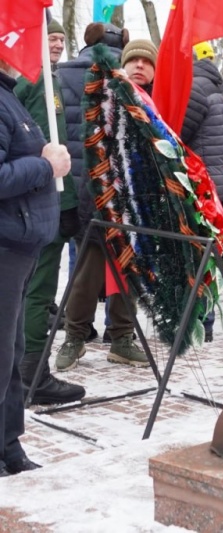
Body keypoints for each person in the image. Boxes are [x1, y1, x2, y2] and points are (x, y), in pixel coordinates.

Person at [55, 23, 150, 371]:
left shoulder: (152, 101)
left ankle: (122, 337)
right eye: (134, 60)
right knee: (88, 274)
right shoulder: (109, 92)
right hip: (99, 197)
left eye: (146, 62)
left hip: (138, 205)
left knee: (130, 274)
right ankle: (75, 337)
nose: (140, 67)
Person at [0, 56, 72, 475]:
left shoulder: (9, 95)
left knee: (11, 351)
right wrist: (45, 166)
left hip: (19, 243)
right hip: (6, 244)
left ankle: (9, 445)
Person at [13, 19, 85, 405]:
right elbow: (45, 147)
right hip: (41, 200)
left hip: (34, 199)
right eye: (50, 38)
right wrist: (67, 201)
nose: (56, 44)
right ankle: (32, 375)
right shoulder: (36, 77)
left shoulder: (46, 75)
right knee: (38, 289)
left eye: (59, 38)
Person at [183, 41, 223, 342]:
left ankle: (200, 321)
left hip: (198, 182)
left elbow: (178, 133)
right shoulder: (219, 90)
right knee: (211, 255)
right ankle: (206, 320)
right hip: (219, 182)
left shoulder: (194, 90)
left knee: (196, 254)